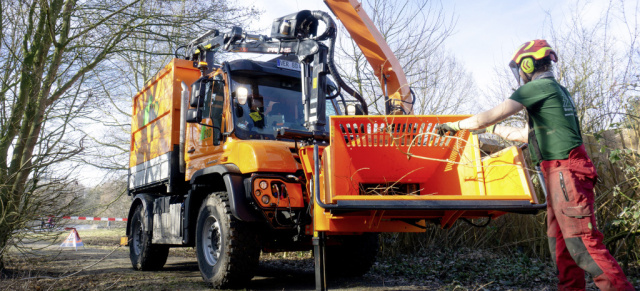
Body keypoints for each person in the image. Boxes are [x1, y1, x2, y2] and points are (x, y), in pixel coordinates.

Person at [436, 39, 634, 291]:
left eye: (520, 67)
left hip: (566, 173)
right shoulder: (556, 90)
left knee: (583, 246)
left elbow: (485, 116)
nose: (520, 74)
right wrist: (493, 129)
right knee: (561, 246)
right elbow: (525, 134)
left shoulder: (537, 87)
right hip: (559, 175)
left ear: (528, 64)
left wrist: (455, 126)